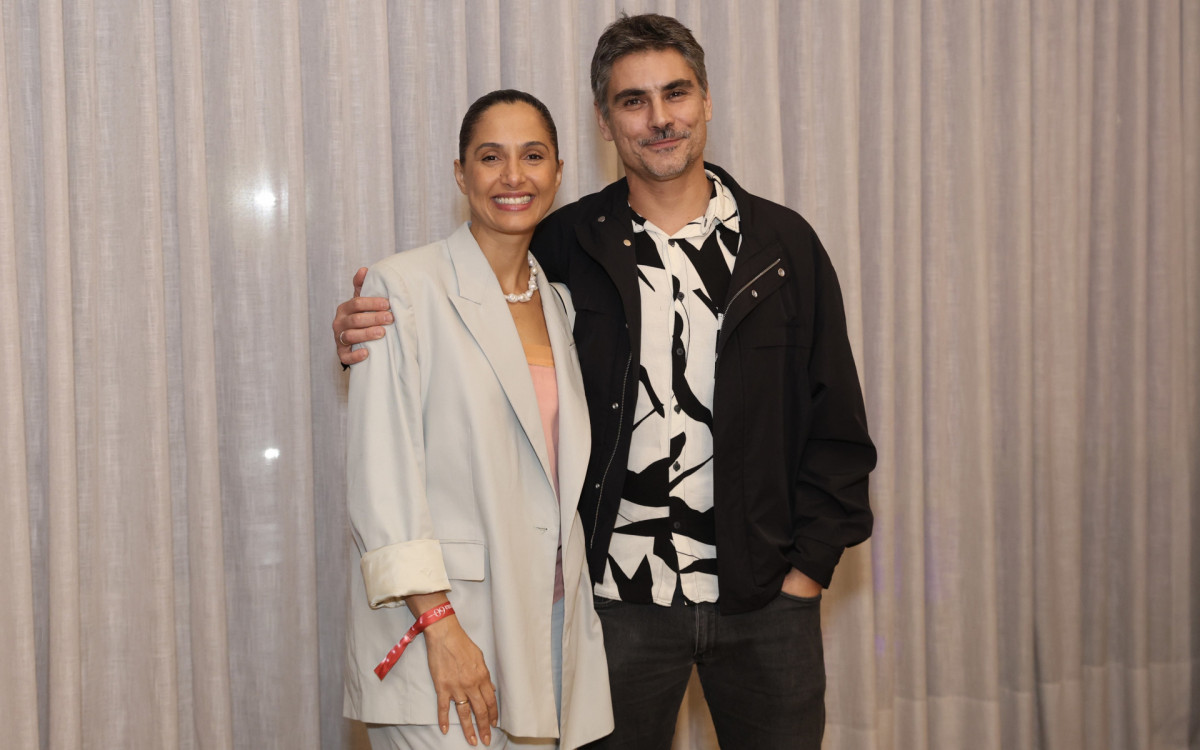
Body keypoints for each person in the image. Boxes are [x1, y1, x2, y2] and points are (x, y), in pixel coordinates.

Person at [337, 15, 876, 750]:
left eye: (675, 93)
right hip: (614, 609)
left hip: (766, 605)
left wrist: (807, 570)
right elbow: (476, 326)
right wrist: (369, 337)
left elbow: (836, 424)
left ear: (707, 100)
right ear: (604, 122)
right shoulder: (567, 245)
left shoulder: (784, 247)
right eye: (633, 101)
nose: (659, 118)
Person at [343, 89, 612, 750]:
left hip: (547, 624)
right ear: (461, 174)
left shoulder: (562, 305)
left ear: (558, 172)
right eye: (491, 157)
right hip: (442, 632)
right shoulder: (402, 289)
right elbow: (383, 481)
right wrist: (440, 626)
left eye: (533, 156)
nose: (513, 176)